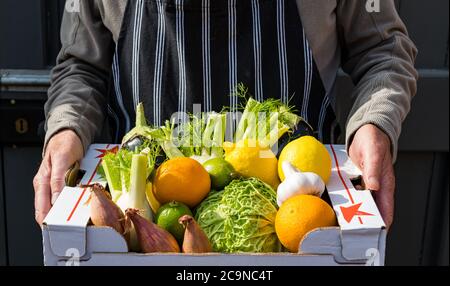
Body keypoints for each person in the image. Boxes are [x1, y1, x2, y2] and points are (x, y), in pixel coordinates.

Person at [33, 0, 417, 229]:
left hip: (298, 217)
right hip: (146, 217)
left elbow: (382, 50)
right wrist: (67, 130)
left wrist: (375, 122)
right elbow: (82, 65)